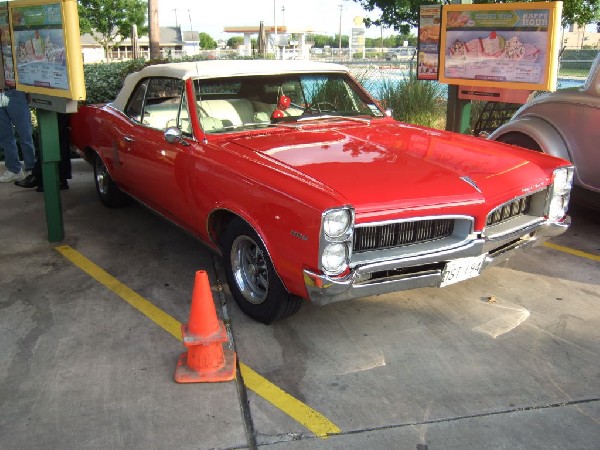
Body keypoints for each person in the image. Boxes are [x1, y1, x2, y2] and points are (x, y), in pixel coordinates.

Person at [15, 112, 71, 191]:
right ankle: (55, 179)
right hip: (56, 104)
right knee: (57, 136)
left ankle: (45, 178)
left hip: (58, 104)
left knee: (56, 135)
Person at [0, 88, 36, 182]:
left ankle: (31, 170)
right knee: (5, 137)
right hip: (0, 94)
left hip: (16, 92)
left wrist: (29, 91)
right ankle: (14, 170)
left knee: (25, 134)